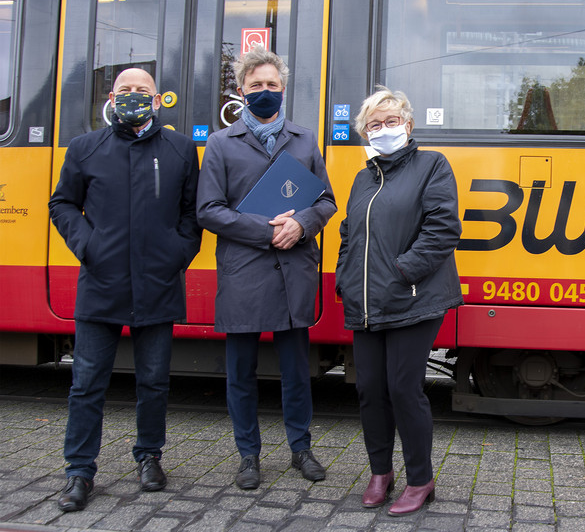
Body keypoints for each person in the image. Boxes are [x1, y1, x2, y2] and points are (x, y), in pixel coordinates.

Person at [49, 68, 202, 511]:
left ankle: (150, 456)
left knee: (153, 382)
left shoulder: (179, 148)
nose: (133, 97)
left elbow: (191, 212)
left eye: (143, 91)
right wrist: (88, 245)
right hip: (101, 286)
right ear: (111, 99)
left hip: (158, 284)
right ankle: (79, 472)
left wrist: (177, 252)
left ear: (158, 101)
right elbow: (62, 204)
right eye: (125, 91)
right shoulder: (85, 147)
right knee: (86, 384)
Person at [196, 47, 336, 490]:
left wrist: (302, 223)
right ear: (241, 92)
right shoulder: (221, 144)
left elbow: (327, 201)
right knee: (241, 372)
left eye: (272, 85)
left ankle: (301, 449)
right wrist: (267, 230)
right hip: (245, 271)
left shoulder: (305, 139)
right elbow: (208, 210)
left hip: (293, 269)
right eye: (256, 85)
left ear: (283, 89)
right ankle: (249, 456)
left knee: (297, 370)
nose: (265, 91)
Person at [335, 86, 463, 516]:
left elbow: (443, 229)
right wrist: (345, 279)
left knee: (404, 389)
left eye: (392, 120)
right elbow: (349, 234)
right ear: (364, 134)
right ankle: (379, 474)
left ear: (407, 125)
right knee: (371, 390)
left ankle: (420, 480)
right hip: (368, 302)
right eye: (374, 124)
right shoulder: (363, 177)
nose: (384, 129)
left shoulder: (432, 165)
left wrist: (402, 271)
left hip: (414, 297)